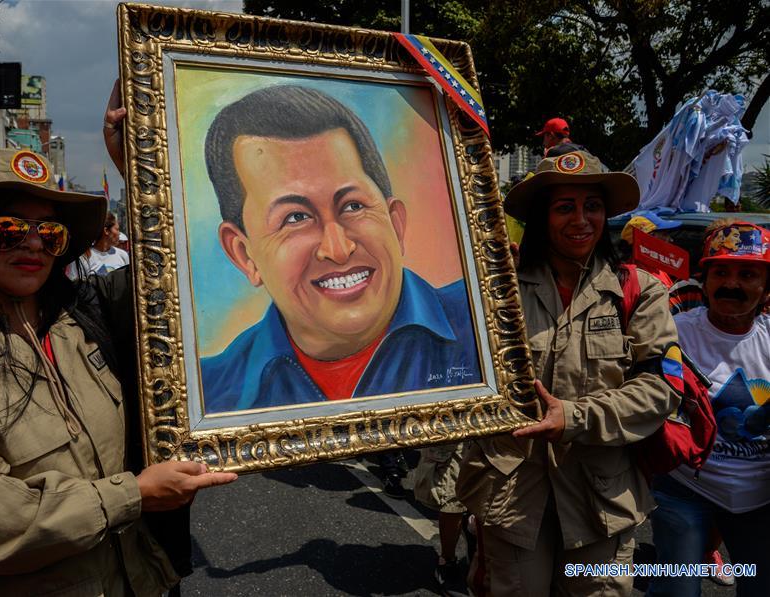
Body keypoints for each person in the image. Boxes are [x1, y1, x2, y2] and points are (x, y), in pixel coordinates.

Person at [0, 148, 236, 595]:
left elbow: (176, 259)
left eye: (50, 233)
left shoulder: (85, 319)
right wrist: (134, 495)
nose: (33, 244)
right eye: (8, 230)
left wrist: (141, 156)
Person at [456, 150, 681, 596]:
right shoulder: (497, 290)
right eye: (565, 208)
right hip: (514, 497)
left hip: (602, 499)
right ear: (542, 217)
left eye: (592, 206)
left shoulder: (639, 290)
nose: (581, 219)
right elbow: (455, 371)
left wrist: (573, 418)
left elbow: (662, 388)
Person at [198, 85, 481, 413]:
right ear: (244, 255)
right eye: (296, 217)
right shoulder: (210, 396)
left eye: (353, 206)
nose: (339, 248)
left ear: (395, 223)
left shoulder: (483, 328)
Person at [647, 221, 770, 597]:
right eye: (720, 272)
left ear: (765, 288)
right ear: (704, 279)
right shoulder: (673, 331)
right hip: (684, 488)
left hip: (759, 497)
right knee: (677, 591)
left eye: (747, 274)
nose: (731, 284)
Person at [411, 442, 475, 595]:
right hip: (454, 438)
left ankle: (471, 530)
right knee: (452, 501)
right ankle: (447, 560)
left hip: (491, 438)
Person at [67, 211, 130, 279]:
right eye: (117, 229)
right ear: (106, 231)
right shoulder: (83, 257)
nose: (119, 233)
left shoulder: (123, 255)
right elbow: (74, 285)